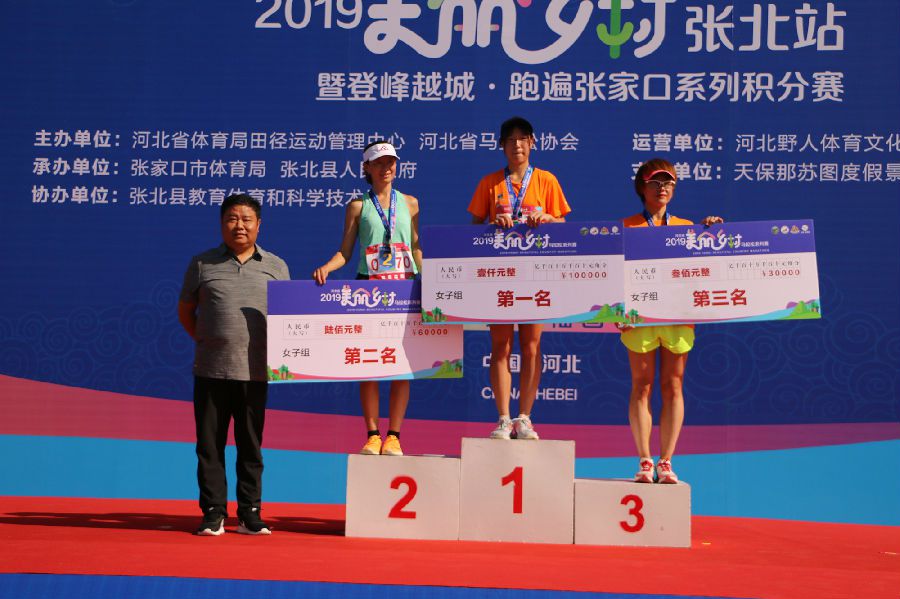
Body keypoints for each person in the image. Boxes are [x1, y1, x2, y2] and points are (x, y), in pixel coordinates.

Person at [178, 193, 290, 535]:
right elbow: (186, 311)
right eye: (231, 218)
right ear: (221, 223)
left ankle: (249, 512)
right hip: (211, 369)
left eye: (246, 219)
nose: (239, 225)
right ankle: (213, 512)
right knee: (209, 445)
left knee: (250, 445)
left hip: (256, 371)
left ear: (259, 225)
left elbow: (289, 319)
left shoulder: (276, 266)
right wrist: (208, 339)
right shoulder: (202, 263)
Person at [313, 140, 422, 457]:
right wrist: (327, 267)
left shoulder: (411, 203)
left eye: (391, 162)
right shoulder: (358, 206)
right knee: (369, 364)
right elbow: (345, 252)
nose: (386, 168)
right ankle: (373, 435)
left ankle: (394, 436)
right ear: (368, 168)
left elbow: (416, 248)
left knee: (402, 366)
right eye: (379, 163)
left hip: (404, 289)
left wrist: (433, 277)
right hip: (369, 291)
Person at [468, 116, 571, 440]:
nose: (517, 145)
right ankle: (503, 418)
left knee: (531, 347)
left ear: (532, 143)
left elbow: (564, 227)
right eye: (510, 140)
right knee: (500, 346)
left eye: (523, 139)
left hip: (536, 276)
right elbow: (471, 231)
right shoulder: (489, 183)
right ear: (502, 145)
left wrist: (548, 218)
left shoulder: (547, 180)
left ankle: (524, 418)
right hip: (500, 276)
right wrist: (493, 224)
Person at [620, 158, 722, 483]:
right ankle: (645, 460)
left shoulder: (688, 227)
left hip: (677, 315)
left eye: (668, 183)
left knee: (673, 384)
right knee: (642, 385)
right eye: (655, 182)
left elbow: (704, 266)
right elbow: (615, 274)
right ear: (642, 187)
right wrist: (617, 310)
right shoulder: (627, 226)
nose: (662, 188)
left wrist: (710, 233)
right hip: (640, 316)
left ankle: (666, 461)